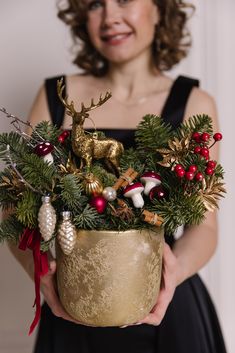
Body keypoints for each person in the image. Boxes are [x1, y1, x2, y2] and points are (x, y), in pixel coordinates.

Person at [9, 0, 227, 352]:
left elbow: (205, 227)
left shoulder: (195, 103)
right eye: (96, 4)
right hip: (74, 309)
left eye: (124, 0)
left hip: (167, 316)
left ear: (160, 9)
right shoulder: (56, 97)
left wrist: (172, 273)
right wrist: (44, 277)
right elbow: (16, 210)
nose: (110, 16)